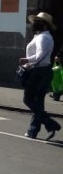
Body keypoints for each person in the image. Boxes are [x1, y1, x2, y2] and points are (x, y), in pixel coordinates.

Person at [19, 12, 60, 140]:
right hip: (44, 71)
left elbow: (40, 55)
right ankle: (33, 130)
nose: (35, 23)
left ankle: (50, 123)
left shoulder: (43, 37)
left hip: (39, 71)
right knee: (38, 102)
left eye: (38, 21)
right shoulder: (44, 36)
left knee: (28, 99)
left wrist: (27, 60)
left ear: (44, 25)